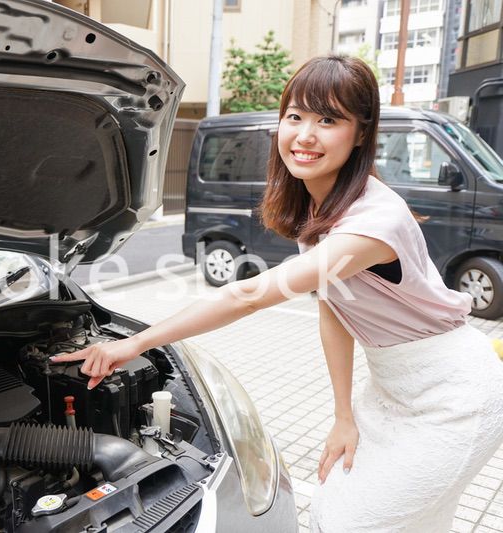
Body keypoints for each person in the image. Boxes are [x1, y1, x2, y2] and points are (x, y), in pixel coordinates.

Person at [51, 55, 503, 531]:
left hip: (454, 396)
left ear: (361, 133)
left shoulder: (372, 222)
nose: (305, 135)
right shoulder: (323, 208)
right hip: (390, 388)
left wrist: (135, 343)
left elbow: (247, 296)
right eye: (295, 116)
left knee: (352, 520)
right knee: (378, 515)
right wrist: (343, 414)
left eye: (328, 119)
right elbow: (336, 313)